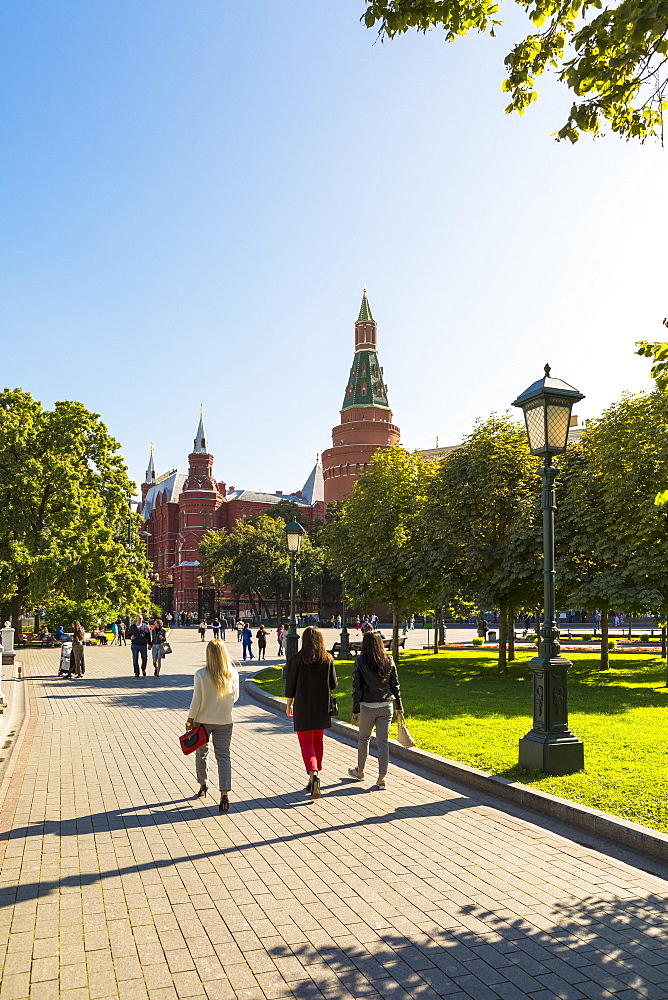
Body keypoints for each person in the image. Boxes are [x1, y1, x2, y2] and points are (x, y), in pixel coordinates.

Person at [186, 639, 239, 813]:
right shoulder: (232, 673)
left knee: (202, 753)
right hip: (225, 720)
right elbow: (236, 697)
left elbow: (197, 700)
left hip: (203, 720)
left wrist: (190, 719)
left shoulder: (201, 674)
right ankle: (224, 793)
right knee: (223, 756)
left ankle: (203, 784)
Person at [285, 626, 337, 799]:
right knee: (318, 741)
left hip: (303, 706)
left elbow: (290, 684)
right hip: (322, 706)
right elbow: (334, 684)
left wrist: (289, 704)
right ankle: (315, 775)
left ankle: (313, 773)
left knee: (306, 743)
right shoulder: (328, 659)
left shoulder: (297, 659)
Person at [349, 630, 404, 790]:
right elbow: (396, 685)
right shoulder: (389, 659)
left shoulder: (360, 661)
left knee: (363, 739)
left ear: (365, 644)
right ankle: (382, 779)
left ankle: (360, 771)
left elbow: (356, 688)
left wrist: (355, 710)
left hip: (367, 706)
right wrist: (399, 706)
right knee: (383, 743)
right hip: (386, 706)